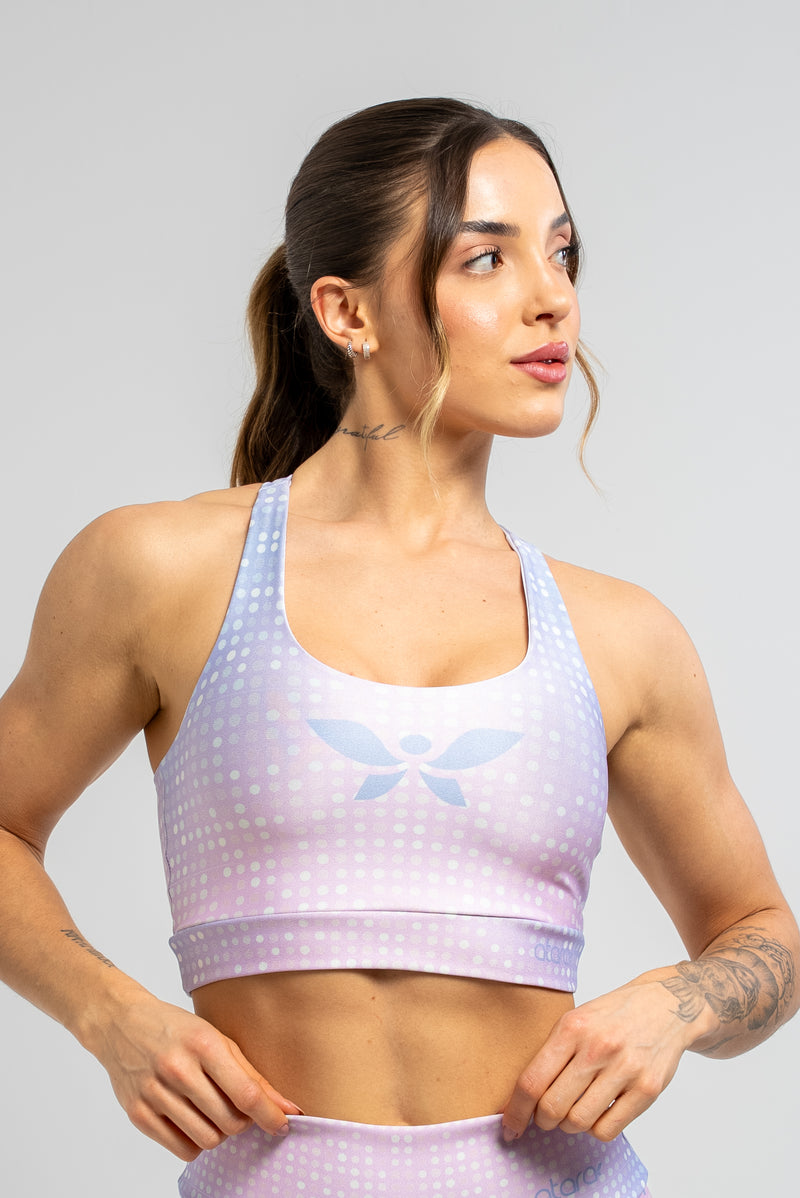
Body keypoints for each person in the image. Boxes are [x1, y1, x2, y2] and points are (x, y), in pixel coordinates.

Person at [0, 97, 796, 1198]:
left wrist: (678, 1005)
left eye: (562, 251)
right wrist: (109, 1015)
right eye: (487, 258)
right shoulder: (163, 573)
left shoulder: (621, 636)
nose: (551, 295)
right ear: (346, 312)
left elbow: (761, 935)